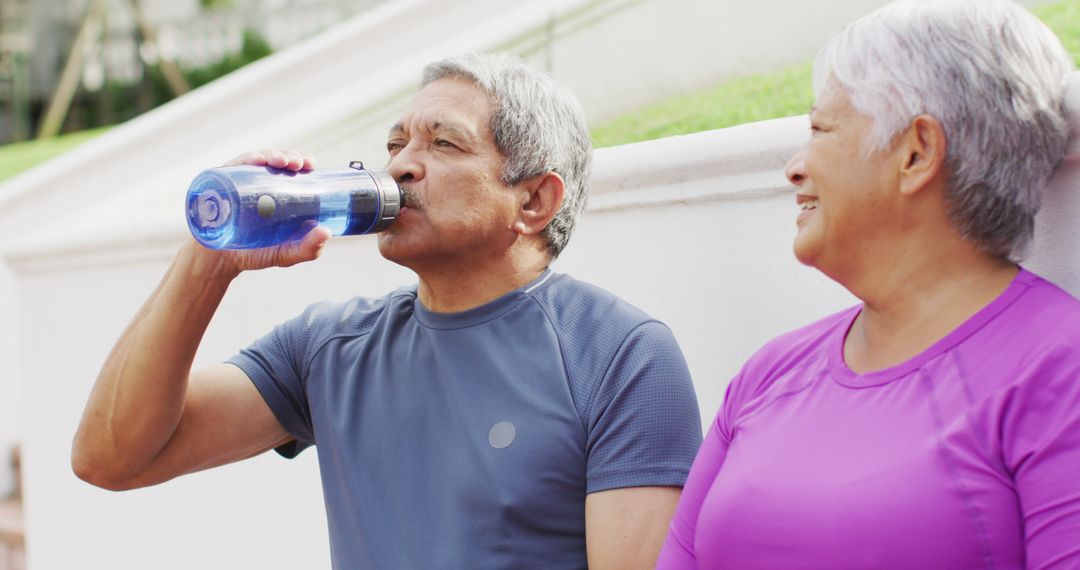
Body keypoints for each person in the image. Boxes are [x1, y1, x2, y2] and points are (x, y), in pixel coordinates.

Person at [72, 53, 702, 569]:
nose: (399, 165)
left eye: (444, 143)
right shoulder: (328, 345)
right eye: (396, 143)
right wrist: (208, 260)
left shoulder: (620, 355)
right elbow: (110, 457)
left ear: (534, 200)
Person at [658, 0, 1080, 568]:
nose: (794, 167)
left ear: (916, 152)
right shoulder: (770, 373)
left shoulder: (1059, 367)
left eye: (820, 129)